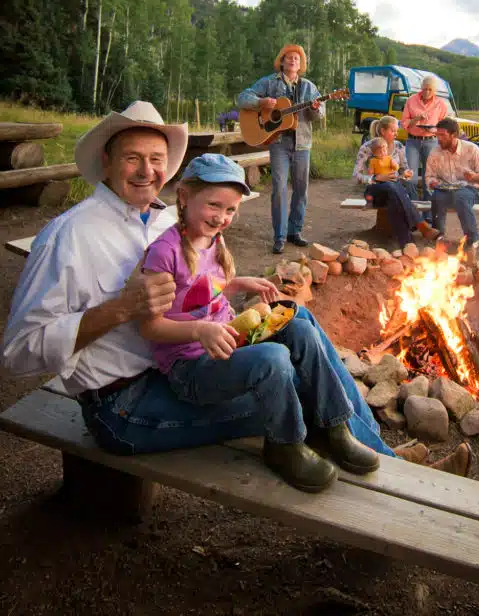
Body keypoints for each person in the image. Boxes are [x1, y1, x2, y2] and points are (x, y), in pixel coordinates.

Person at [1, 103, 394, 474]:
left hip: (184, 363)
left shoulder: (163, 222)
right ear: (107, 160)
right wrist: (120, 309)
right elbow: (18, 353)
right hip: (125, 403)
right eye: (132, 158)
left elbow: (193, 294)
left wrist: (232, 290)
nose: (146, 171)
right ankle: (388, 468)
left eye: (156, 160)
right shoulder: (68, 236)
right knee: (292, 382)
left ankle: (377, 453)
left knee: (297, 320)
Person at [138, 151, 379, 492]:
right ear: (184, 196)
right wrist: (198, 330)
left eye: (230, 209)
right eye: (213, 205)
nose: (221, 217)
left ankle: (332, 426)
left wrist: (238, 283)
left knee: (297, 324)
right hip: (191, 367)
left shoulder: (212, 239)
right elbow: (149, 326)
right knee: (273, 359)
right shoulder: (164, 252)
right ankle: (284, 444)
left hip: (227, 340)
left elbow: (200, 289)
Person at [237, 44, 323, 255]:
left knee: (301, 190)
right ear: (282, 61)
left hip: (302, 144)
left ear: (301, 64)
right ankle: (280, 236)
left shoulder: (309, 87)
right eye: (289, 57)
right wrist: (261, 102)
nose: (293, 61)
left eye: (297, 58)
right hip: (278, 144)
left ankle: (295, 231)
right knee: (279, 189)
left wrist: (315, 109)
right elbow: (242, 98)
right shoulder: (269, 82)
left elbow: (319, 115)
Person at [353, 116, 441, 247]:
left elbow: (404, 170)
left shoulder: (399, 146)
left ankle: (407, 244)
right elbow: (356, 176)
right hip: (374, 192)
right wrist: (375, 178)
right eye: (393, 131)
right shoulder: (368, 147)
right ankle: (421, 226)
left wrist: (406, 173)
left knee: (394, 193)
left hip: (395, 191)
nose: (396, 134)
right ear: (383, 131)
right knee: (391, 187)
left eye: (397, 131)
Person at [425, 118, 479, 264]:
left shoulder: (472, 149)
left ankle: (472, 242)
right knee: (437, 198)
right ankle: (439, 240)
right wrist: (432, 182)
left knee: (460, 197)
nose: (438, 139)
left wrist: (474, 176)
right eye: (437, 135)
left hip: (467, 188)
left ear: (454, 135)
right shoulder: (435, 152)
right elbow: (429, 176)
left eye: (442, 135)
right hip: (444, 188)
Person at [400, 75, 449, 200]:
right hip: (413, 141)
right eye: (425, 89)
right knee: (411, 177)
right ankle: (413, 207)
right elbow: (404, 124)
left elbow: (443, 126)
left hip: (431, 141)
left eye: (430, 89)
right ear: (421, 88)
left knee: (430, 177)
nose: (427, 92)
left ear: (435, 91)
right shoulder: (411, 100)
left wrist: (434, 130)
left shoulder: (440, 104)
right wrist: (417, 119)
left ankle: (428, 212)